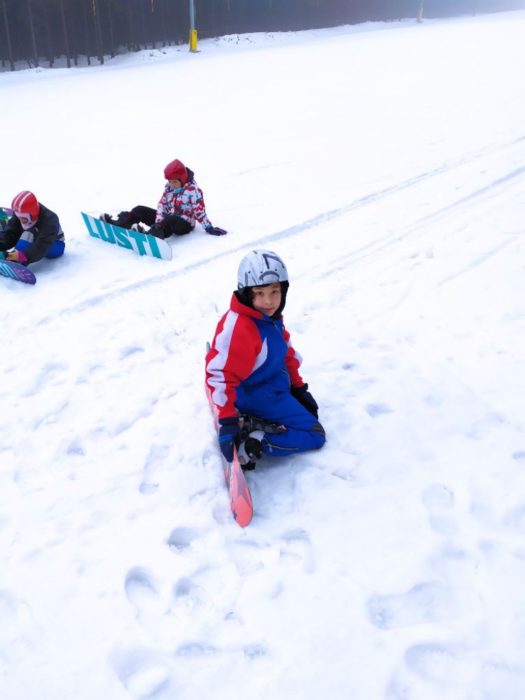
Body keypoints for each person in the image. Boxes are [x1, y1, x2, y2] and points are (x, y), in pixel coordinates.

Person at [205, 249, 326, 470]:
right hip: (255, 392)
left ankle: (256, 420)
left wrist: (299, 388)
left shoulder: (269, 318)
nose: (268, 301)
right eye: (259, 293)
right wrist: (228, 420)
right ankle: (256, 439)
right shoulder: (241, 328)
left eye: (274, 291)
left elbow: (286, 352)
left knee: (308, 412)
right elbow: (220, 375)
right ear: (246, 293)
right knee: (314, 433)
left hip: (272, 380)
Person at [102, 158, 227, 239]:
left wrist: (209, 227)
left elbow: (199, 212)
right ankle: (120, 224)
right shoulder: (169, 188)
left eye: (174, 182)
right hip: (166, 220)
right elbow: (162, 205)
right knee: (140, 209)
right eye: (170, 181)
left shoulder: (193, 191)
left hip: (184, 224)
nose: (171, 184)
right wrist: (158, 221)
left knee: (171, 219)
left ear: (182, 179)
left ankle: (150, 236)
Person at [0, 191, 65, 265]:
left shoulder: (50, 219)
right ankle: (12, 256)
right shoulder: (22, 214)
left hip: (55, 246)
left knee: (28, 233)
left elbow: (42, 246)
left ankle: (16, 261)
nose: (20, 220)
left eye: (23, 218)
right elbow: (11, 233)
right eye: (18, 216)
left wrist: (21, 256)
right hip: (36, 240)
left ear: (32, 213)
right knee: (16, 229)